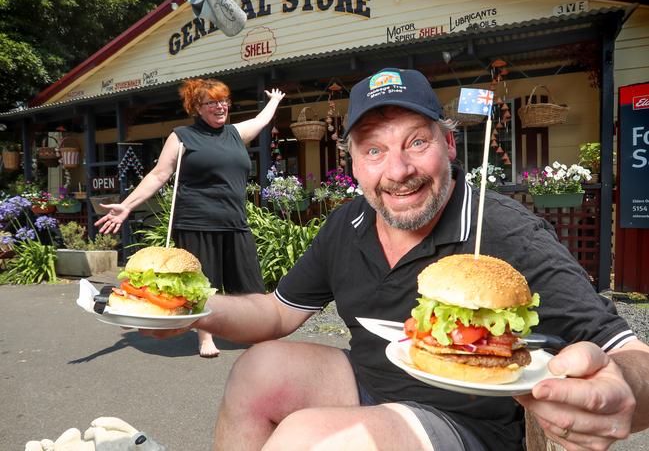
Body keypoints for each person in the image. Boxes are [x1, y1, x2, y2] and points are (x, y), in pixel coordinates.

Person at [142, 68, 649, 450]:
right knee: (259, 368)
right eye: (375, 150)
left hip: (467, 424)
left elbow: (630, 353)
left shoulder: (506, 231)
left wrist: (621, 385)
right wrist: (194, 309)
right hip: (369, 382)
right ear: (355, 163)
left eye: (417, 142)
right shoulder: (349, 223)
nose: (399, 170)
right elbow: (276, 313)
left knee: (307, 439)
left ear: (450, 145)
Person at [96, 78, 285, 358]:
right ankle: (205, 337)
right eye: (212, 102)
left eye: (224, 101)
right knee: (202, 283)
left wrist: (275, 101)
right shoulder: (182, 136)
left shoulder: (235, 133)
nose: (221, 106)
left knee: (249, 283)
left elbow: (260, 119)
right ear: (197, 106)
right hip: (197, 221)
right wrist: (127, 205)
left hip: (235, 221)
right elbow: (159, 174)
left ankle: (255, 332)